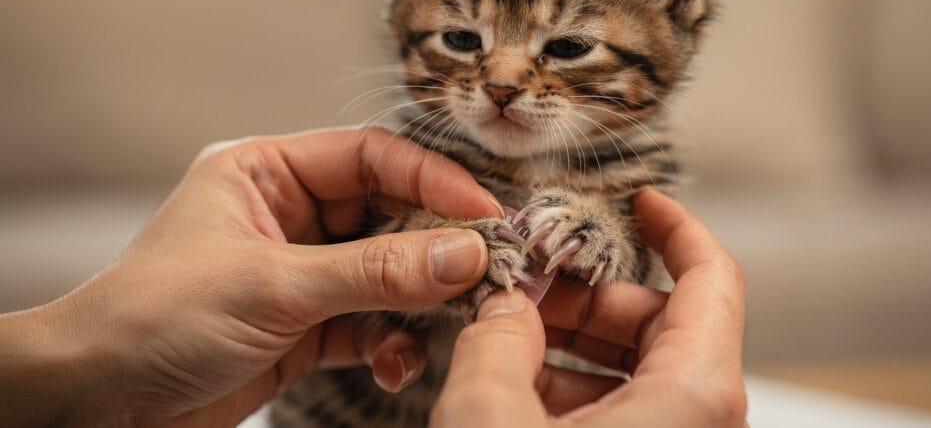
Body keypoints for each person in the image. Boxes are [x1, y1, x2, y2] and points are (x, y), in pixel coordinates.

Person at [0, 127, 747, 427]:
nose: (505, 85)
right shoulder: (417, 151)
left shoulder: (632, 167)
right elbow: (382, 250)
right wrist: (430, 245)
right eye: (463, 41)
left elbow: (630, 265)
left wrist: (603, 230)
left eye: (569, 46)